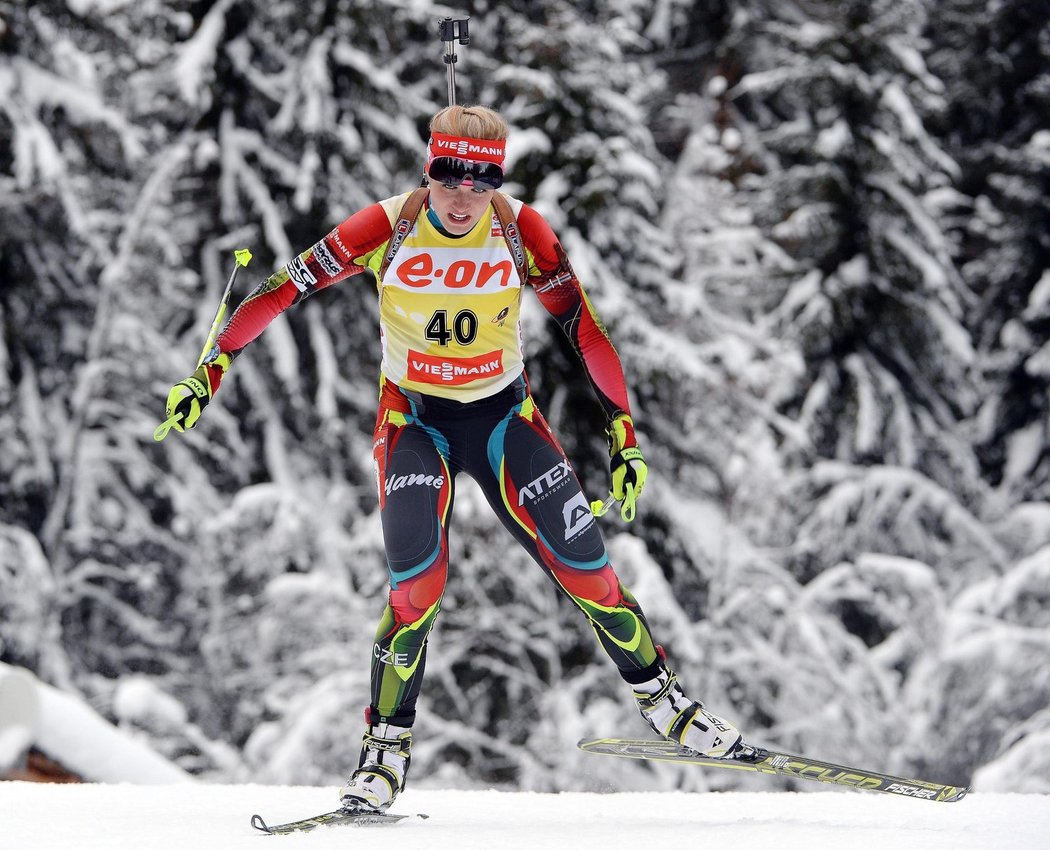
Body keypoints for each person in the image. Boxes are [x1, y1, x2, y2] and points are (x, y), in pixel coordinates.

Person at [164, 105, 745, 811]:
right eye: (449, 173)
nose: (464, 193)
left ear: (499, 177)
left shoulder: (520, 229)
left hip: (502, 418)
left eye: (483, 177)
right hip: (416, 422)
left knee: (587, 570)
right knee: (418, 585)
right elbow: (285, 287)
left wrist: (623, 429)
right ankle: (382, 754)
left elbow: (582, 328)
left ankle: (666, 703)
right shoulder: (389, 226)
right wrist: (210, 370)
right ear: (428, 168)